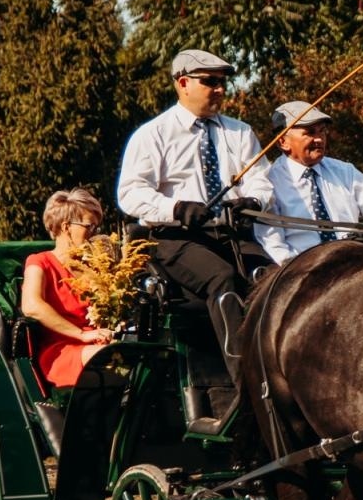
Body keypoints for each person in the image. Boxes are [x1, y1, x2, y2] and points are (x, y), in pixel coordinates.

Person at [116, 48, 274, 326]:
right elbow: (130, 193)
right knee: (222, 279)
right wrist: (176, 208)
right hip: (176, 238)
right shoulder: (153, 135)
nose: (220, 89)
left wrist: (253, 201)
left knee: (272, 279)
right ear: (183, 83)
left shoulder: (240, 132)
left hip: (233, 235)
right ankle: (241, 368)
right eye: (210, 81)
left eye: (223, 82)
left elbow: (261, 180)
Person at [255, 101, 363, 264]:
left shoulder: (344, 172)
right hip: (303, 274)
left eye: (322, 131)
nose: (319, 139)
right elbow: (275, 246)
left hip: (353, 268)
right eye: (309, 132)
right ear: (283, 142)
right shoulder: (268, 184)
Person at [21, 189, 113, 388]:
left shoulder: (95, 266)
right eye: (89, 226)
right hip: (61, 351)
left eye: (96, 227)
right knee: (114, 357)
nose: (94, 233)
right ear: (66, 227)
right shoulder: (40, 262)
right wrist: (81, 334)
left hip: (99, 343)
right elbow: (31, 305)